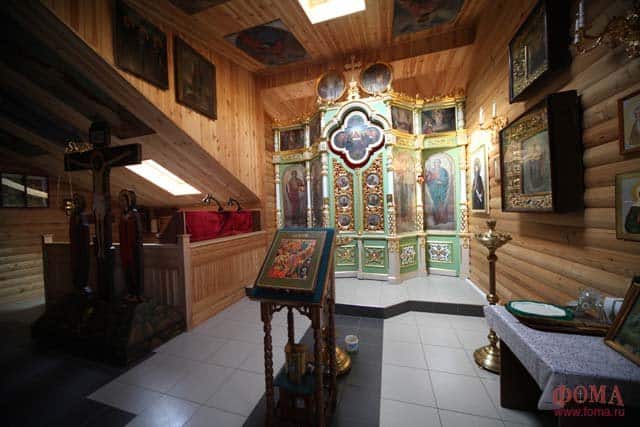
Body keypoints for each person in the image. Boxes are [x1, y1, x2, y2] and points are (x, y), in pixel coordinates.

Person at [118, 189, 144, 300]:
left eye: (124, 200)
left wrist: (136, 247)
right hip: (125, 249)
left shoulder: (135, 214)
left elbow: (139, 233)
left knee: (135, 271)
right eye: (121, 200)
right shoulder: (122, 215)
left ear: (129, 201)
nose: (122, 203)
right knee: (127, 271)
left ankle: (137, 293)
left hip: (134, 249)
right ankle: (130, 292)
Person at [69, 193, 91, 294]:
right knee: (77, 271)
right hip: (76, 249)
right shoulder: (74, 216)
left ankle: (82, 288)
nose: (75, 204)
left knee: (82, 271)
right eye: (74, 202)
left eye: (77, 202)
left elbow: (85, 235)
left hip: (82, 250)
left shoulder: (82, 216)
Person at [426, 158, 450, 225]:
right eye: (435, 163)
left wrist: (441, 181)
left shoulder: (443, 170)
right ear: (434, 164)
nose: (437, 164)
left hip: (442, 190)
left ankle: (444, 219)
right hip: (434, 190)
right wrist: (429, 178)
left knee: (443, 203)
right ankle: (436, 220)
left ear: (440, 163)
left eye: (438, 162)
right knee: (435, 205)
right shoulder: (431, 170)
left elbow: (447, 179)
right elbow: (428, 181)